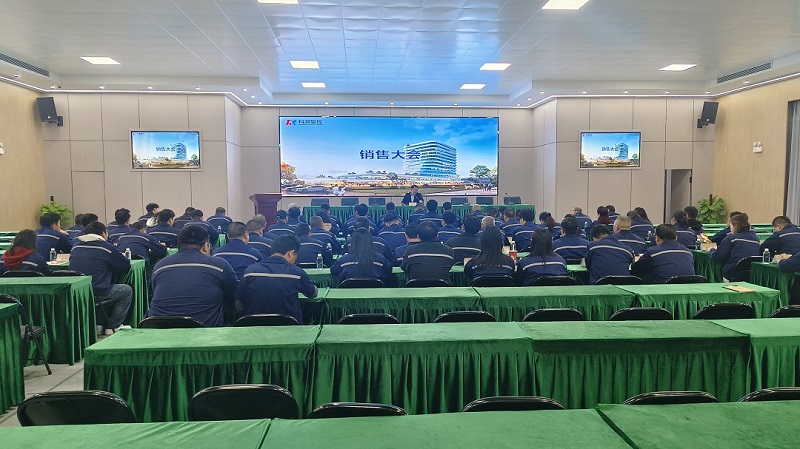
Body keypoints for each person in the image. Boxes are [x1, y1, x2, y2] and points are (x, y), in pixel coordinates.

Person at [148, 225, 238, 327]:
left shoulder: (159, 266)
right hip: (205, 332)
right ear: (206, 246)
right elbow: (233, 295)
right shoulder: (220, 265)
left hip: (160, 331)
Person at [69, 221, 133, 335]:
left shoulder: (76, 245)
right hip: (98, 292)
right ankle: (113, 326)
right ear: (103, 233)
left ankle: (98, 325)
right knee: (126, 291)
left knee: (100, 284)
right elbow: (125, 264)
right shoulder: (106, 247)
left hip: (78, 292)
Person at [237, 235, 319, 323]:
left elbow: (239, 305)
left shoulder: (250, 271)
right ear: (290, 253)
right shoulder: (297, 273)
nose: (296, 259)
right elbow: (313, 294)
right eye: (296, 255)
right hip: (290, 327)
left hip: (253, 326)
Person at [631, 224, 695, 283]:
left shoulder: (652, 252)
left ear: (657, 238)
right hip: (688, 288)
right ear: (676, 238)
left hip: (663, 288)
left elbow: (635, 269)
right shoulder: (688, 252)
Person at [710, 212, 760, 281]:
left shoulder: (731, 239)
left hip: (732, 274)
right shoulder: (756, 240)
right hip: (750, 276)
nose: (730, 229)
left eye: (731, 226)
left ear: (735, 226)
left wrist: (712, 251)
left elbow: (717, 257)